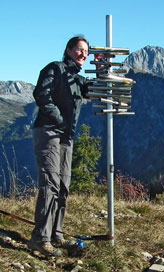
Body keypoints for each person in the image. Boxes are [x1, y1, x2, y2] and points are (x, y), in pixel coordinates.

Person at [28, 36, 91, 256]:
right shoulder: (55, 68)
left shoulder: (78, 79)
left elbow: (95, 90)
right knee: (50, 182)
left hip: (66, 137)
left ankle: (56, 233)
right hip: (48, 130)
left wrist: (103, 68)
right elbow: (41, 94)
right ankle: (40, 238)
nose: (83, 54)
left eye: (87, 52)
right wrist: (59, 120)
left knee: (63, 185)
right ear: (68, 50)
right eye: (79, 50)